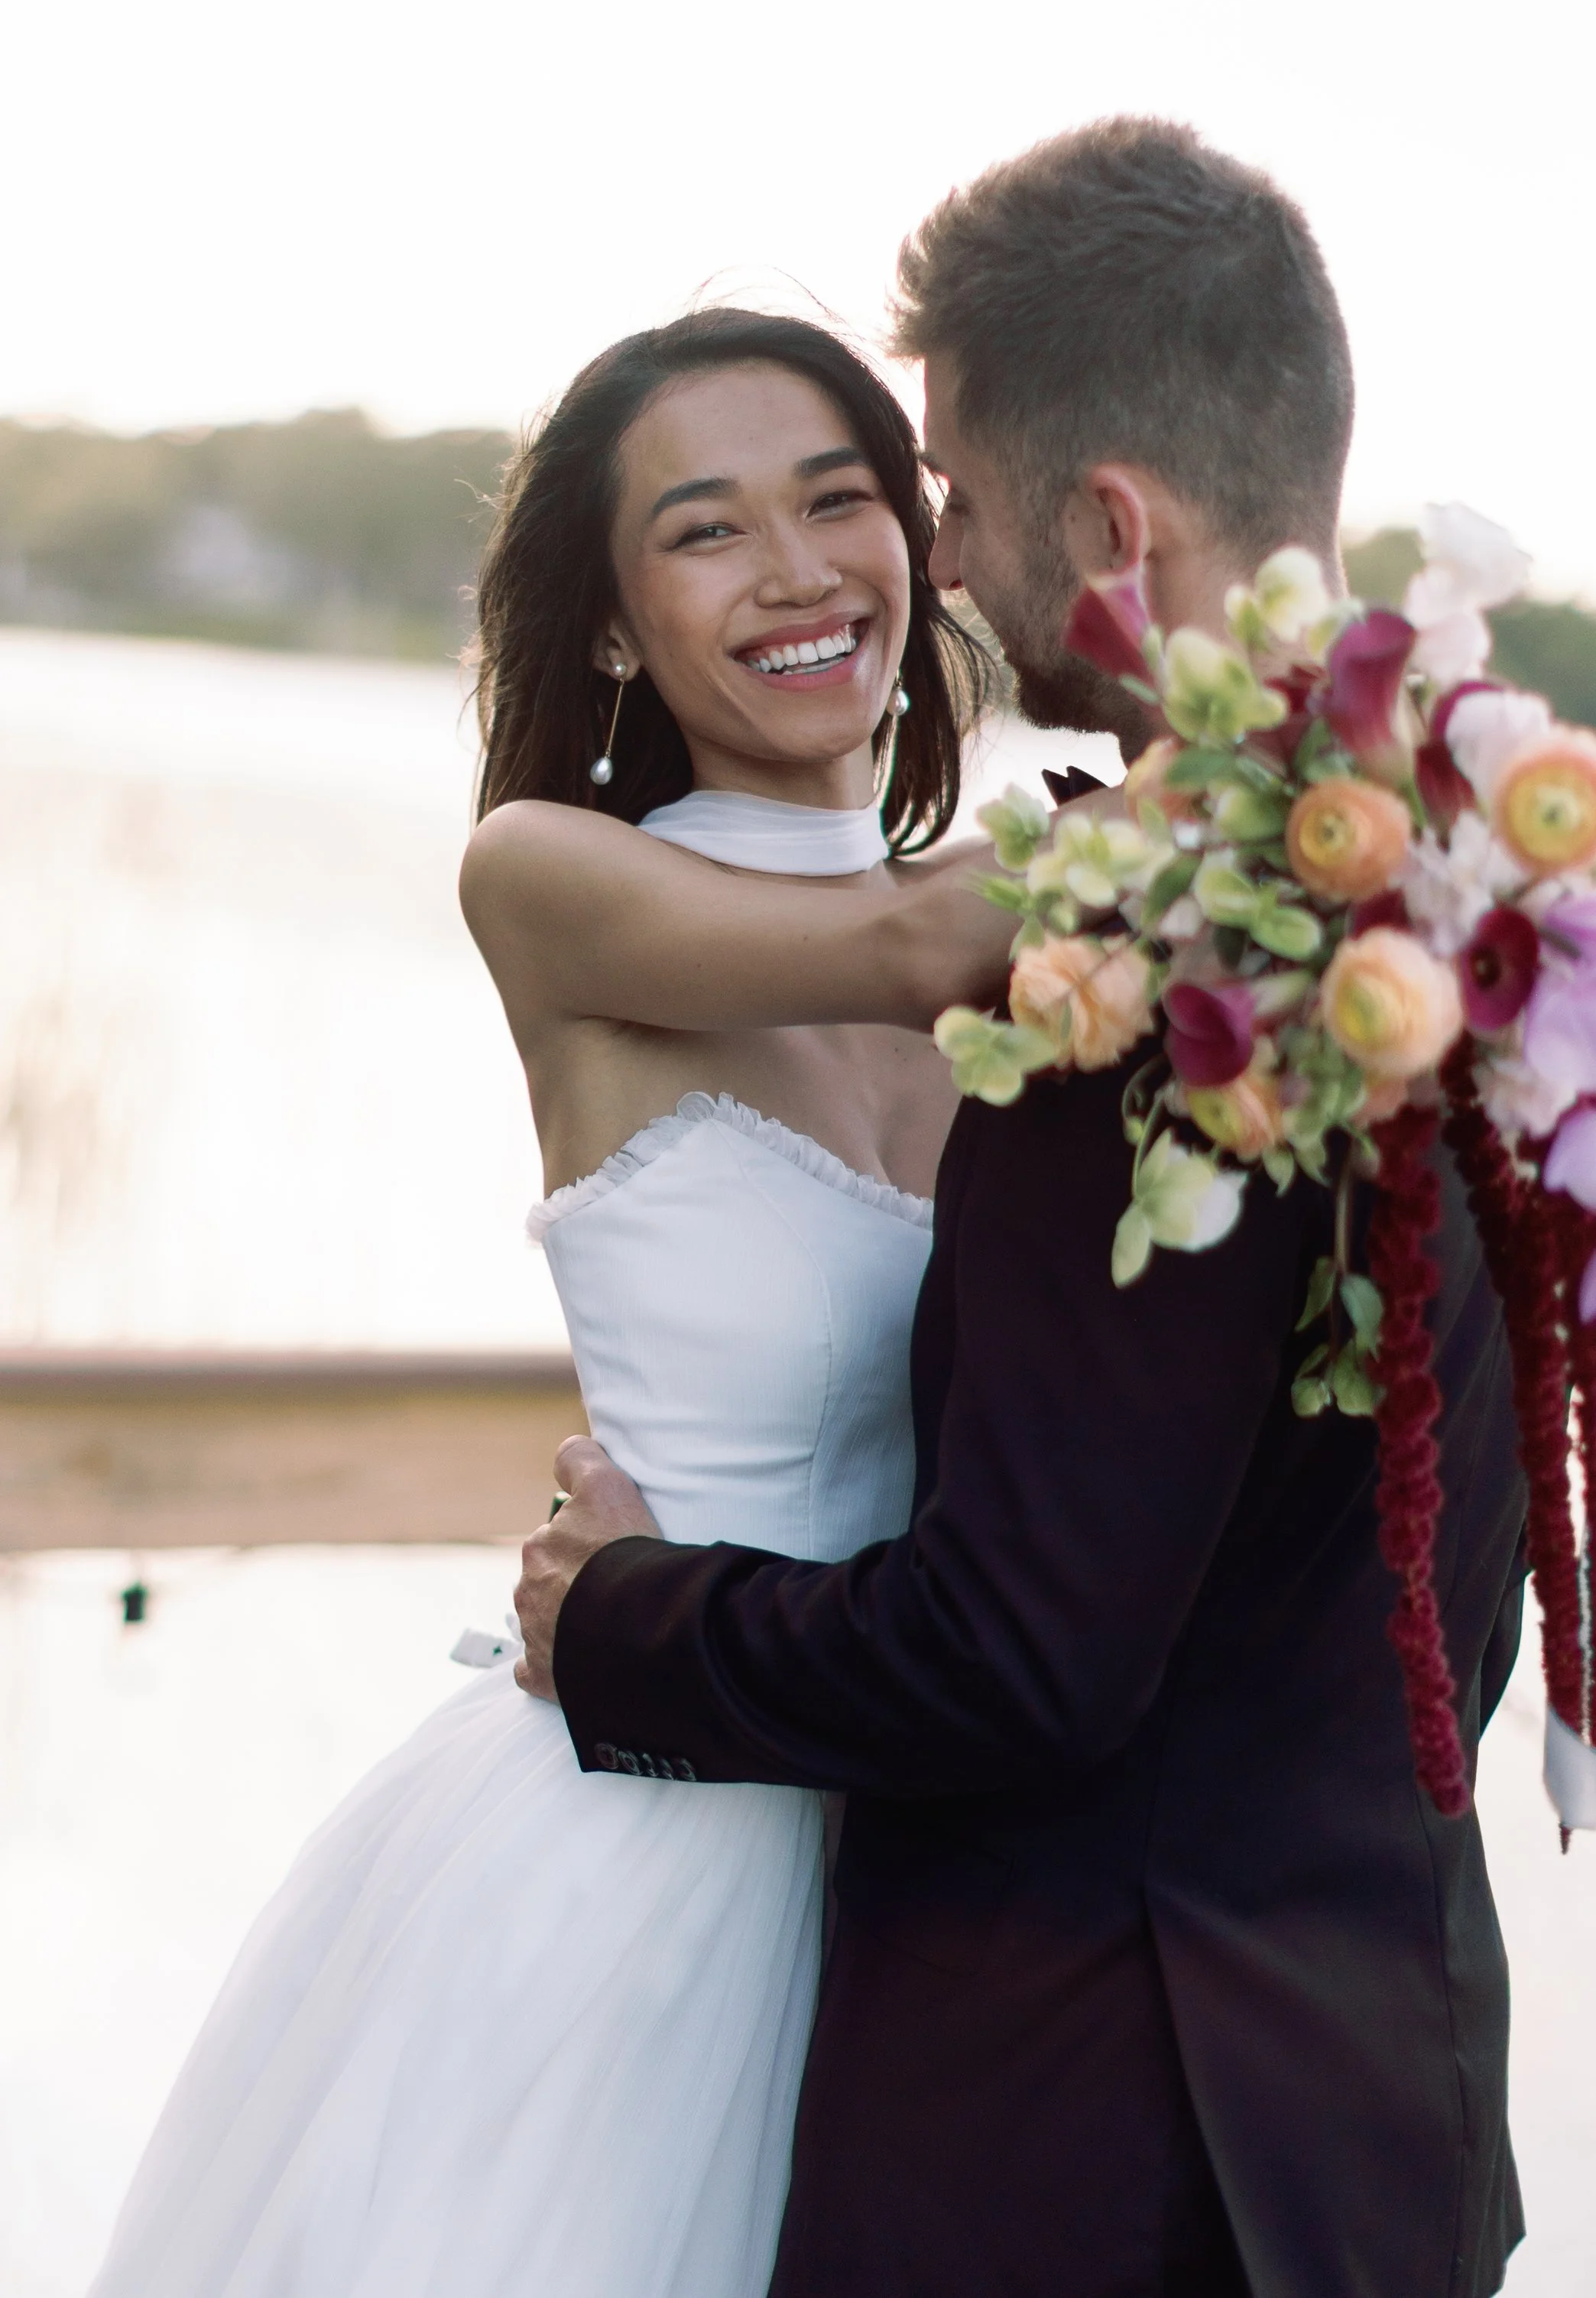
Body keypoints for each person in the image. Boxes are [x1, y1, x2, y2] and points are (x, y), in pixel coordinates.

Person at [514, 122, 1530, 2298]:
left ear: (1105, 524)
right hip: (1371, 2115)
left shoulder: (1146, 964)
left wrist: (617, 1616)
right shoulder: (1450, 908)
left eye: (930, 492)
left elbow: (1021, 1656)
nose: (931, 556)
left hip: (1085, 2150)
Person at [86, 307, 1017, 2298]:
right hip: (633, 1860)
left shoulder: (1021, 976)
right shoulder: (557, 879)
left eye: (837, 499)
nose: (789, 567)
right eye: (703, 527)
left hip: (930, 1862)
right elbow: (915, 926)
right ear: (608, 625)